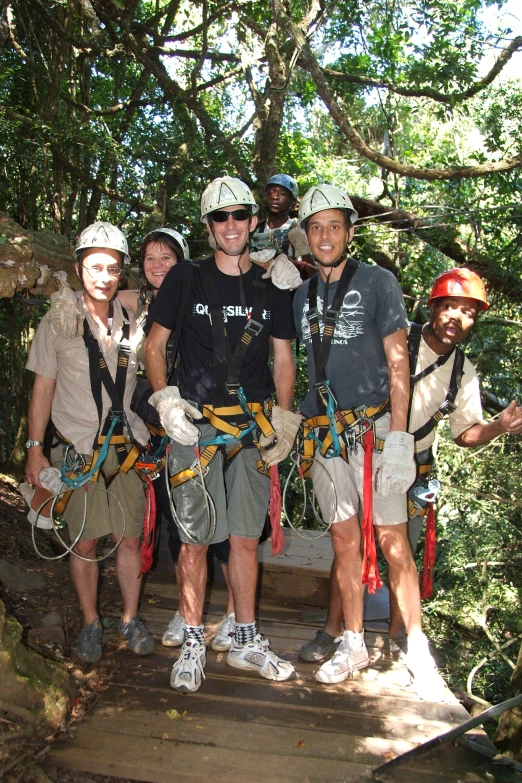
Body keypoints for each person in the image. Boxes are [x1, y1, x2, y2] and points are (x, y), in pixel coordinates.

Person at [304, 267, 522, 659]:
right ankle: (332, 629)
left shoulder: (462, 372)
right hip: (365, 442)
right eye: (450, 306)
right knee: (347, 544)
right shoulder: (398, 334)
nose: (458, 317)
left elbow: (464, 433)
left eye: (468, 311)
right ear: (434, 308)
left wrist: (497, 427)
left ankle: (399, 637)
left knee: (400, 549)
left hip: (413, 464)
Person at [43, 227, 236, 652]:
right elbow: (96, 297)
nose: (158, 266)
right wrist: (63, 298)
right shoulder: (139, 304)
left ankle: (233, 611)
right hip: (143, 432)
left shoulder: (201, 295)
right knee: (166, 527)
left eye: (168, 258)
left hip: (192, 425)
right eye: (150, 258)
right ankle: (175, 612)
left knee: (202, 522)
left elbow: (235, 274)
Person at [145, 175, 301, 693]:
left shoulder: (271, 285)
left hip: (251, 433)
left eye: (239, 215)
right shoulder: (185, 278)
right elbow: (154, 345)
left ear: (254, 221)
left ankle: (245, 638)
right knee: (192, 541)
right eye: (220, 217)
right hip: (196, 427)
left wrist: (283, 416)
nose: (230, 225)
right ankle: (193, 640)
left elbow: (283, 356)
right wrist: (165, 398)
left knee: (243, 540)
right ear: (209, 226)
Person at [292, 184, 445, 702]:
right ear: (306, 236)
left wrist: (400, 439)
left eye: (335, 225)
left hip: (376, 431)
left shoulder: (379, 283)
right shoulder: (301, 296)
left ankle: (417, 649)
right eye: (316, 227)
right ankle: (353, 640)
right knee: (343, 541)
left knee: (392, 540)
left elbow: (399, 362)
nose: (326, 235)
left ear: (350, 232)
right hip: (326, 433)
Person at [25, 221, 154, 664]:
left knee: (130, 539)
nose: (104, 276)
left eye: (113, 268)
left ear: (122, 273)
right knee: (84, 542)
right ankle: (90, 623)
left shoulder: (132, 318)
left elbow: (179, 279)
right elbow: (43, 388)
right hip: (78, 450)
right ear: (79, 268)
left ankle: (130, 618)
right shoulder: (60, 318)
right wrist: (35, 448)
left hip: (125, 449)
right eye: (95, 267)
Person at [251, 174, 311, 263]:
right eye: (270, 193)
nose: (275, 197)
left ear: (292, 203)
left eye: (282, 194)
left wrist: (304, 250)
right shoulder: (253, 230)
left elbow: (314, 273)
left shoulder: (298, 232)